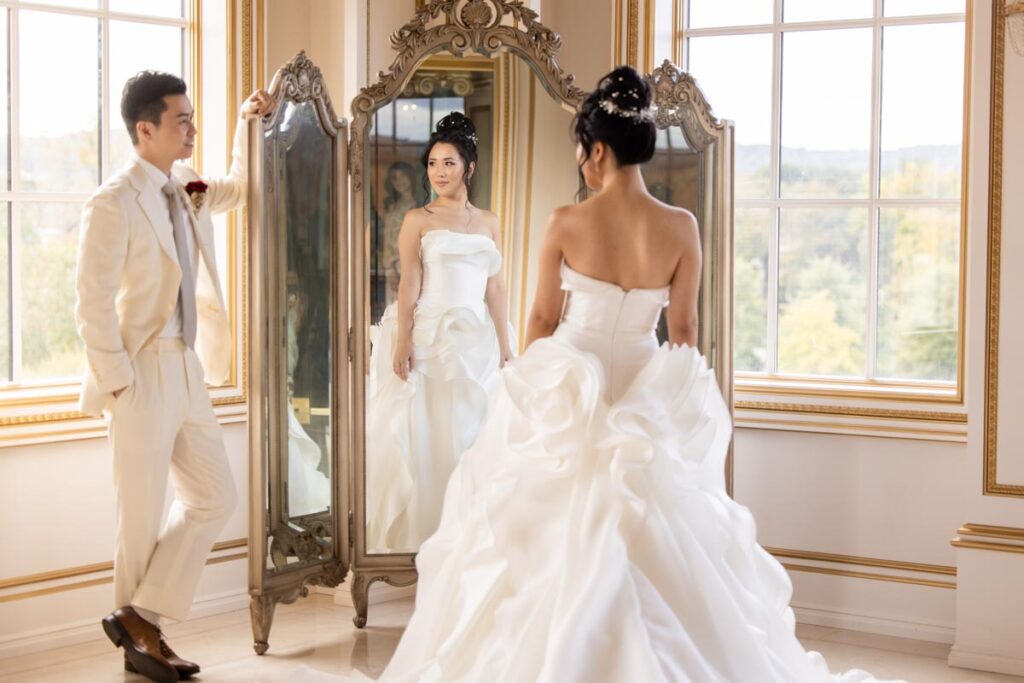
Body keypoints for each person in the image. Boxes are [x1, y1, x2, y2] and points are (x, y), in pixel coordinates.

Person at [313, 66, 897, 683]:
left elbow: (541, 319)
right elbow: (686, 332)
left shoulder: (567, 222)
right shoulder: (681, 227)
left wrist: (533, 382)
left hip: (573, 389)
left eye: (581, 152)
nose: (581, 165)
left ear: (596, 150)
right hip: (645, 385)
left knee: (546, 539)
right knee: (662, 539)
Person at [74, 70, 275, 683]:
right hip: (141, 371)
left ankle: (138, 615)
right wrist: (121, 383)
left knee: (215, 496)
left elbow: (239, 189)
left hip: (188, 364)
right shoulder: (113, 202)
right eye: (181, 119)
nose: (191, 127)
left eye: (192, 116)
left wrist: (248, 123)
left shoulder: (185, 186)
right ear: (146, 128)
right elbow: (90, 303)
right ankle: (143, 642)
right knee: (138, 515)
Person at [365, 112, 514, 553]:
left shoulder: (489, 221)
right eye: (432, 164)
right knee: (428, 437)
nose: (438, 173)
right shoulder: (417, 219)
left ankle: (467, 542)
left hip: (477, 342)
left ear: (469, 167)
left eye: (448, 163)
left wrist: (506, 344)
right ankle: (424, 541)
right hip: (431, 338)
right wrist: (404, 338)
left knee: (472, 435)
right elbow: (409, 281)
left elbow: (495, 284)